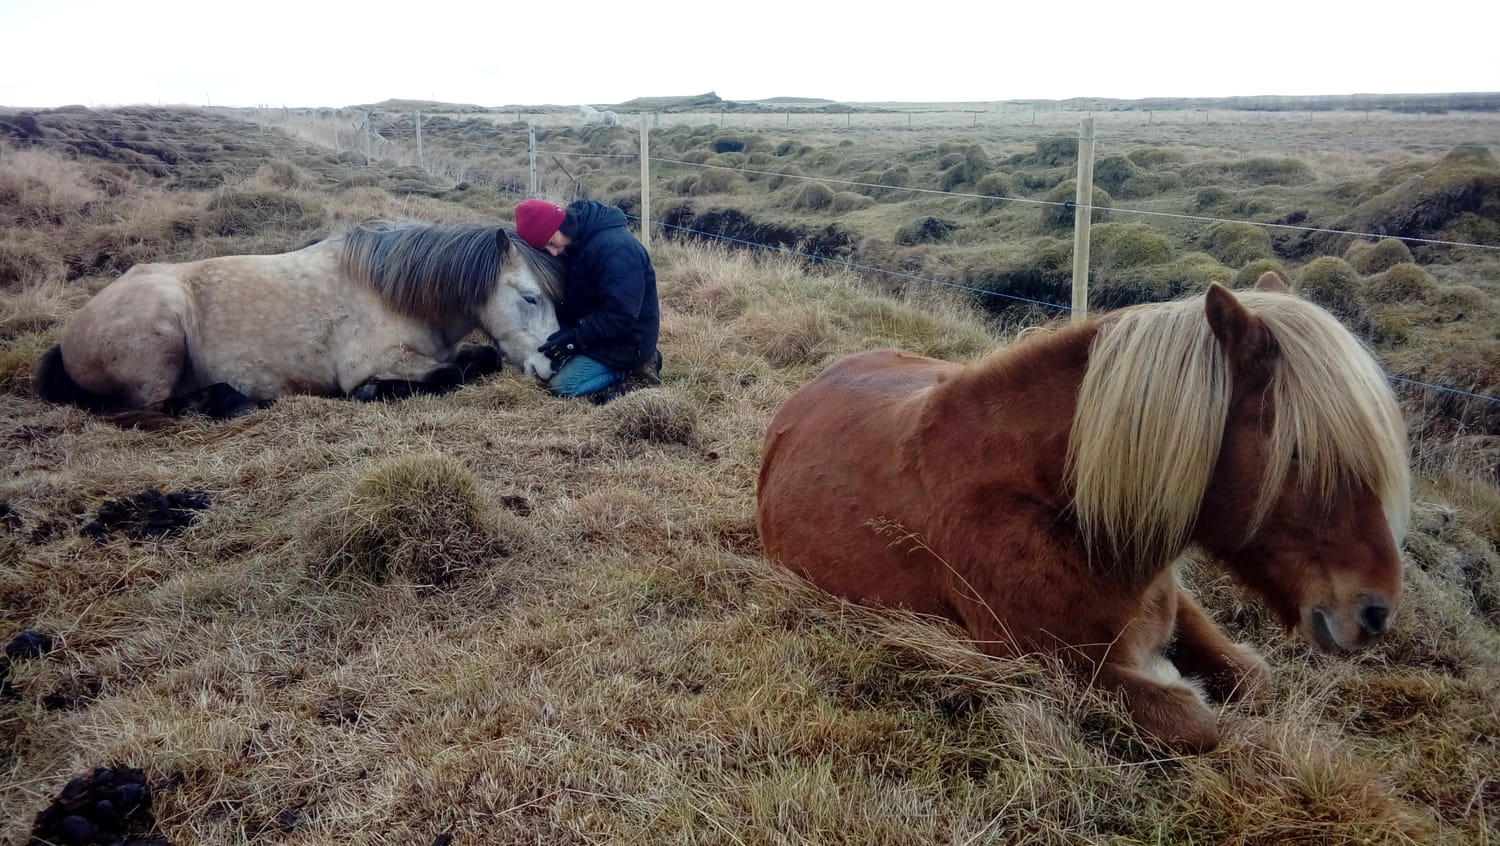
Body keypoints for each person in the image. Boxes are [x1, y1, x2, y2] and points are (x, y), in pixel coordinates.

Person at [514, 198, 662, 404]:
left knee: (563, 386)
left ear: (560, 225)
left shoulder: (615, 248)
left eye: (551, 242)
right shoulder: (572, 243)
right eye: (546, 249)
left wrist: (573, 341)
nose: (554, 253)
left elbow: (621, 315)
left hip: (626, 341)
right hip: (593, 332)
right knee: (542, 366)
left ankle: (635, 370)